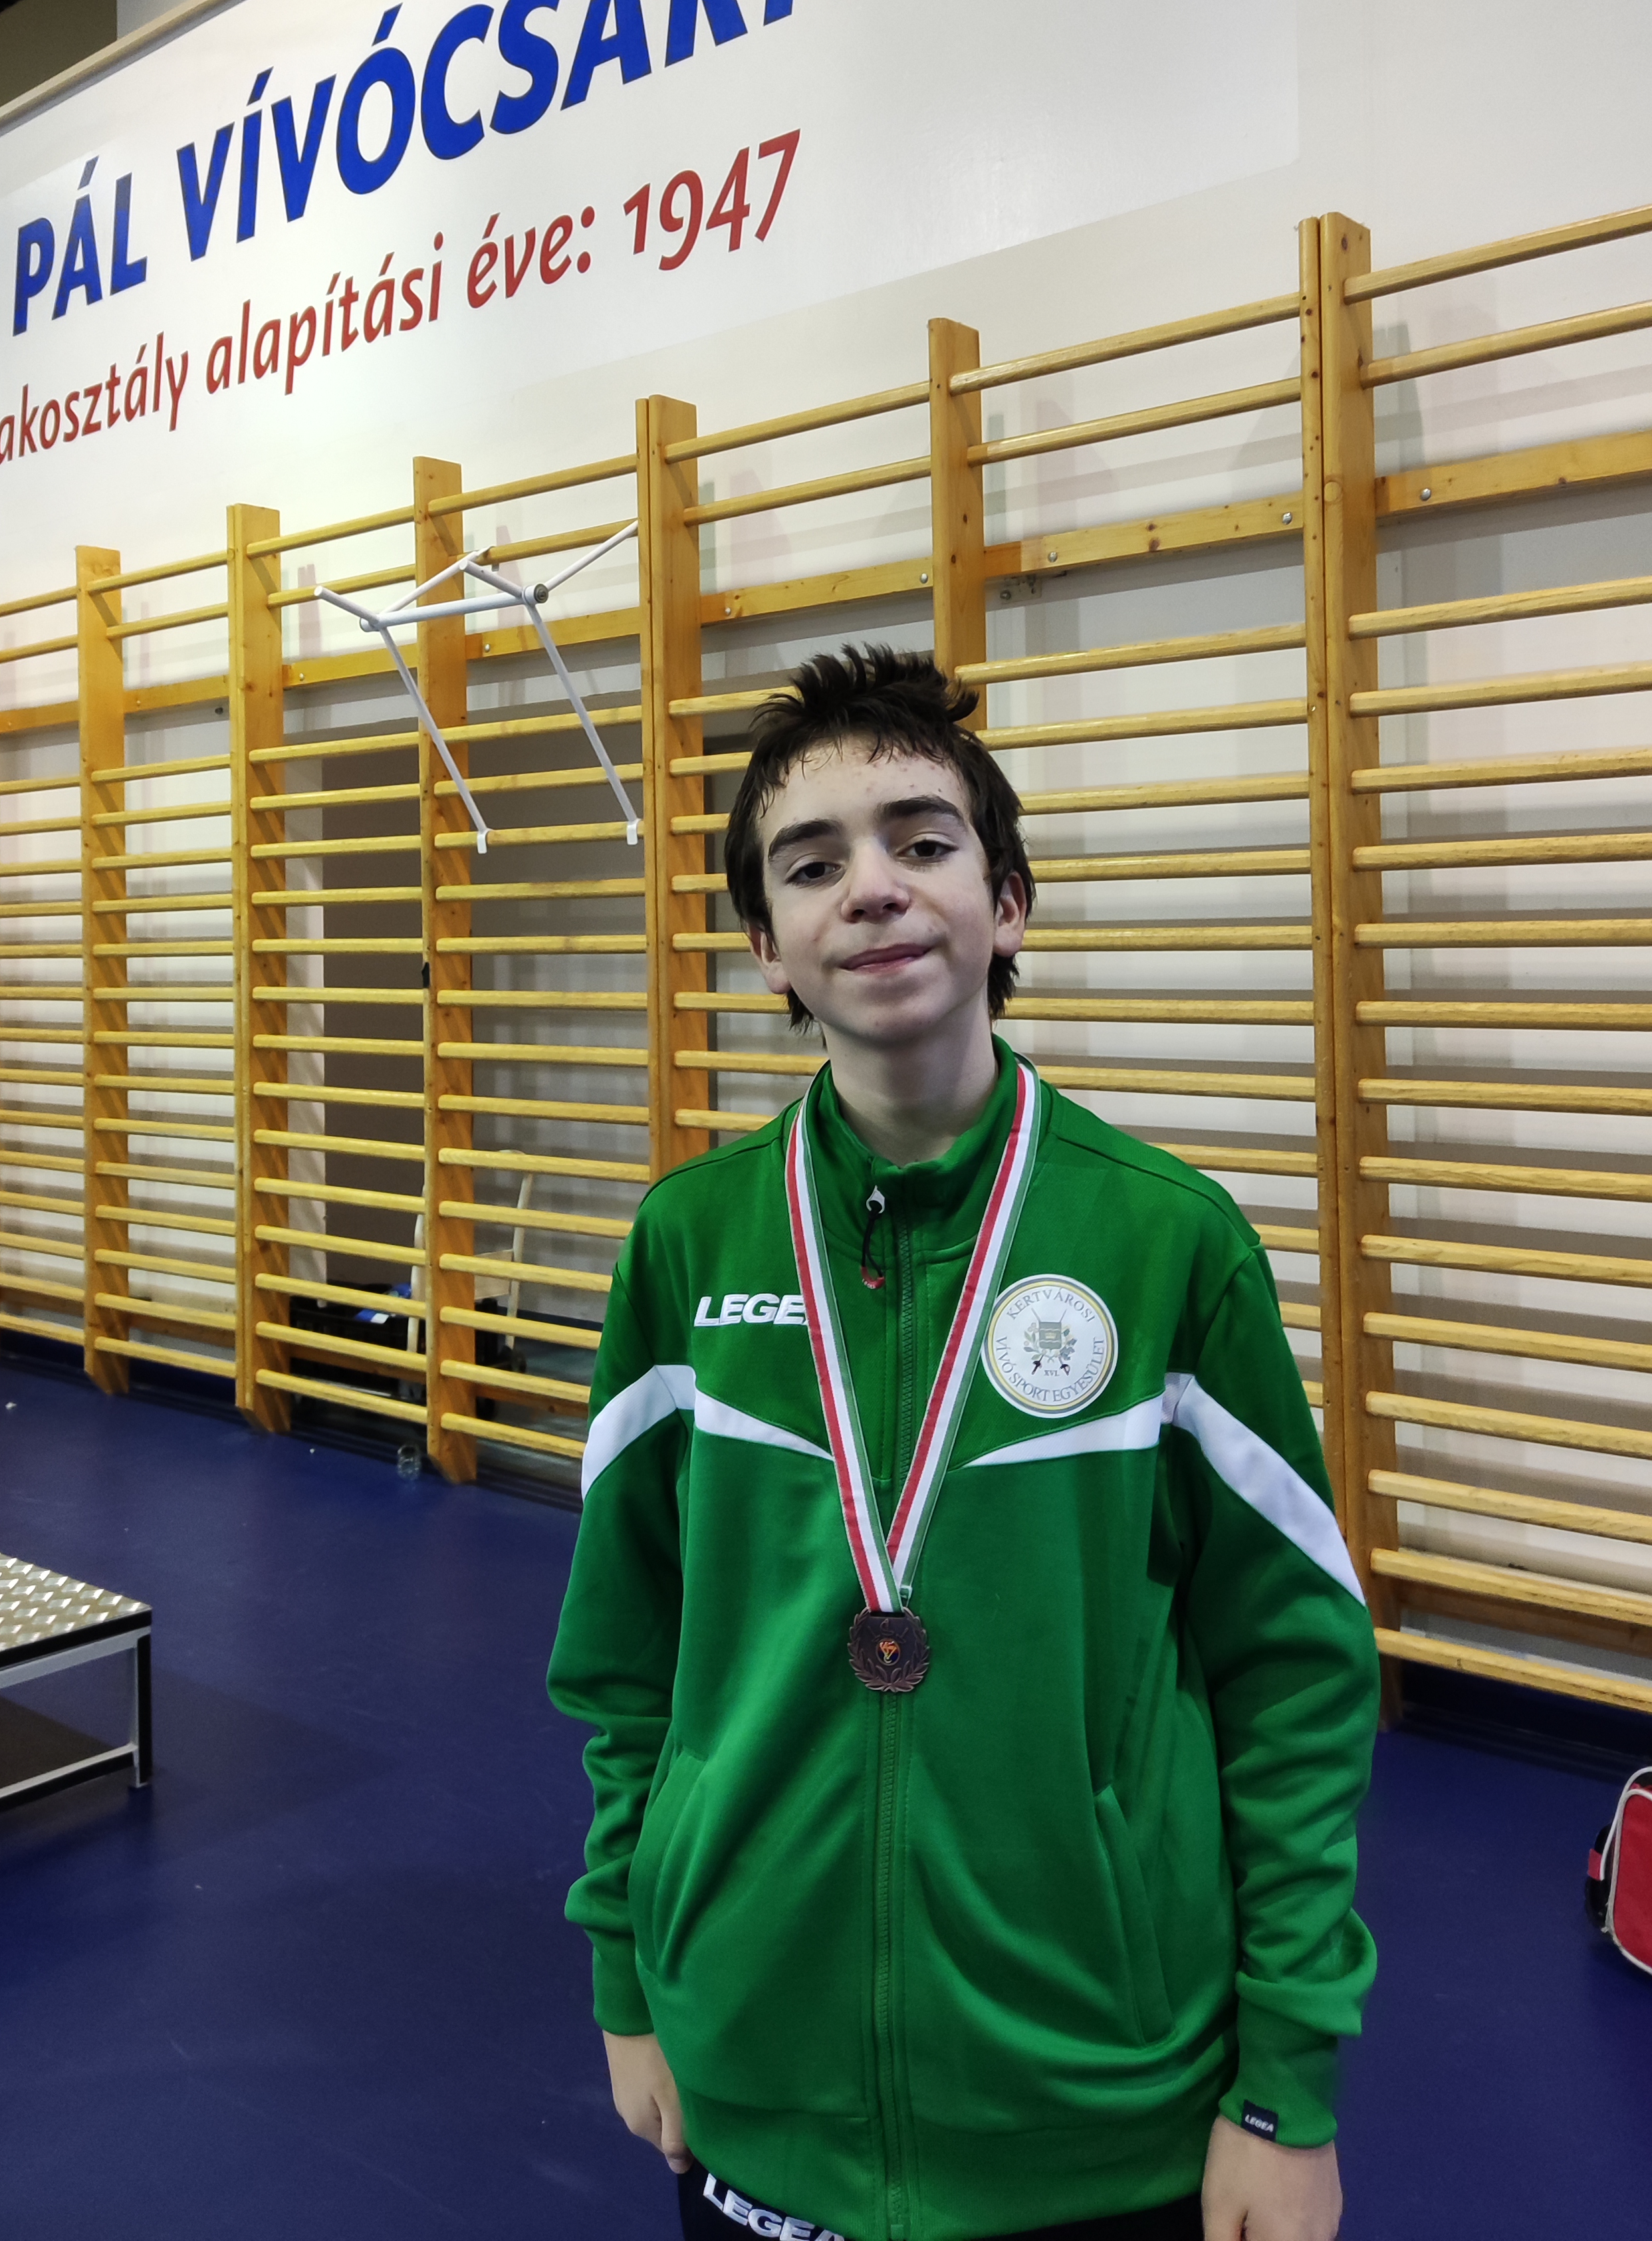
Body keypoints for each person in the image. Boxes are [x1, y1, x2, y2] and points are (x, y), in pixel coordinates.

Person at [548, 645, 1378, 2241]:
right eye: (810, 863)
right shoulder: (686, 1243)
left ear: (1006, 905)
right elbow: (625, 1660)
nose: (870, 885)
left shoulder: (1167, 1242)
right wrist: (629, 1976)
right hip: (753, 2056)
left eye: (921, 841)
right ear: (765, 947)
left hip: (1101, 2097)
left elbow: (1293, 1677)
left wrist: (1285, 2080)